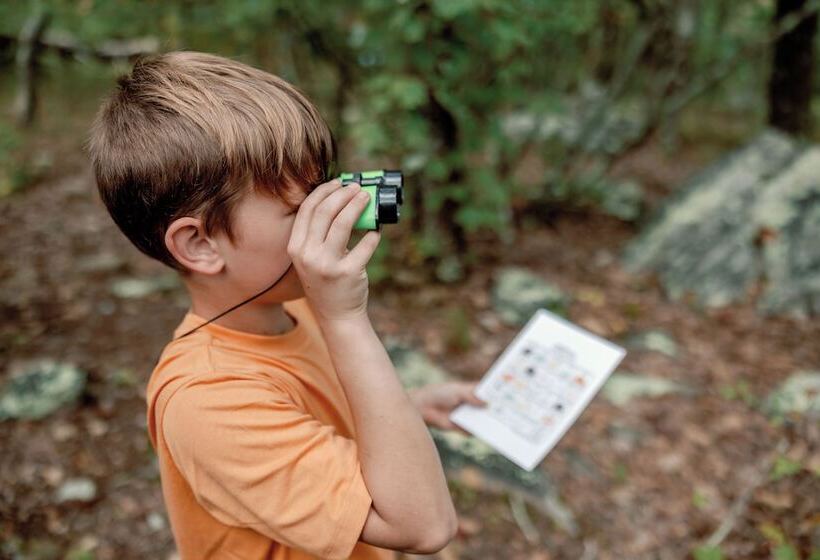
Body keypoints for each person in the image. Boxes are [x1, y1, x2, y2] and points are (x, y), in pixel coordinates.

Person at [88, 51, 487, 559]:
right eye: (300, 211)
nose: (336, 216)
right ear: (200, 244)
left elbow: (323, 421)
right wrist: (345, 317)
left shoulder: (291, 309)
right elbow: (424, 525)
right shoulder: (205, 401)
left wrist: (412, 408)